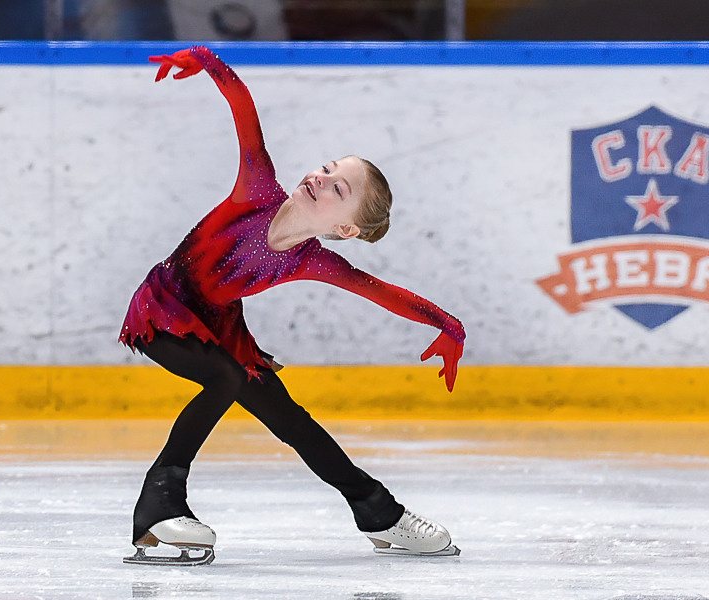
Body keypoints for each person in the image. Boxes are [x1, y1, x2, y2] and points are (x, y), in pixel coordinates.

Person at [120, 46, 465, 566]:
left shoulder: (312, 260)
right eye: (326, 169)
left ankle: (379, 511)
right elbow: (244, 112)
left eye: (337, 187)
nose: (321, 178)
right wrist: (208, 60)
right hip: (162, 306)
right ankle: (159, 504)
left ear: (344, 228)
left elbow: (380, 291)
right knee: (225, 378)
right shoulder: (257, 188)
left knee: (290, 418)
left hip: (220, 328)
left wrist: (450, 326)